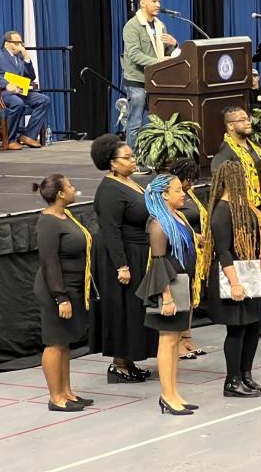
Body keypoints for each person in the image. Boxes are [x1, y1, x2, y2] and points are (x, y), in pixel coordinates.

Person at [88, 134, 156, 383]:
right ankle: (118, 365)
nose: (133, 160)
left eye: (132, 155)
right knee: (121, 308)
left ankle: (129, 360)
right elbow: (110, 229)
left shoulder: (130, 182)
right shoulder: (109, 190)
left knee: (133, 309)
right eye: (127, 157)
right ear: (112, 163)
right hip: (121, 256)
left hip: (137, 250)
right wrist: (122, 265)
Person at [204, 161, 261, 397]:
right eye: (241, 176)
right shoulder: (222, 212)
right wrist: (235, 283)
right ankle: (232, 381)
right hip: (233, 275)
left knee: (253, 327)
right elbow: (224, 251)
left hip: (249, 273)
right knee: (237, 330)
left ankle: (246, 375)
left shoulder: (244, 207)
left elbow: (254, 241)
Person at [135, 174, 198, 415]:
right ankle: (166, 394)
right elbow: (159, 261)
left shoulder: (176, 217)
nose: (183, 193)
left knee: (175, 342)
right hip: (168, 286)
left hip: (181, 282)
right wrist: (167, 297)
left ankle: (174, 392)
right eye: (177, 190)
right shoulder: (158, 224)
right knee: (168, 340)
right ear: (164, 195)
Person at [33, 174, 94, 412]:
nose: (73, 189)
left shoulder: (65, 214)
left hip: (73, 286)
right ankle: (55, 397)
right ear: (59, 194)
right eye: (69, 186)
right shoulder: (48, 222)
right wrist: (61, 297)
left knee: (65, 343)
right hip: (55, 290)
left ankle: (67, 392)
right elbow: (49, 262)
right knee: (54, 343)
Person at [121, 0, 178, 151]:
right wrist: (158, 63)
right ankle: (133, 158)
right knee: (136, 122)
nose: (158, 4)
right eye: (154, 1)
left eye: (159, 1)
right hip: (137, 81)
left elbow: (168, 54)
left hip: (155, 81)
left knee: (153, 121)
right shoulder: (132, 26)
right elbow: (134, 54)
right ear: (143, 4)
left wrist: (175, 44)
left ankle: (150, 156)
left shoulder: (161, 26)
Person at [168, 158, 210, 360]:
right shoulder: (169, 196)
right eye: (188, 180)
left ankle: (186, 336)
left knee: (191, 295)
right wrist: (195, 237)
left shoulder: (189, 194)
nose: (191, 185)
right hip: (179, 252)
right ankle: (175, 342)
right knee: (179, 296)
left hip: (195, 253)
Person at [0, 30, 51, 150]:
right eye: (17, 42)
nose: (20, 45)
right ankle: (9, 139)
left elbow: (31, 77)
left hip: (18, 91)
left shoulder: (19, 58)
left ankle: (28, 136)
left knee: (43, 100)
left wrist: (26, 59)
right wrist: (6, 84)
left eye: (21, 43)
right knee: (17, 103)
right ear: (7, 44)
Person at [211, 107, 261, 207]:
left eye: (248, 119)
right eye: (242, 120)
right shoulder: (224, 154)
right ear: (231, 125)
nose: (248, 122)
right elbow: (222, 187)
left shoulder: (258, 148)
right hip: (242, 209)